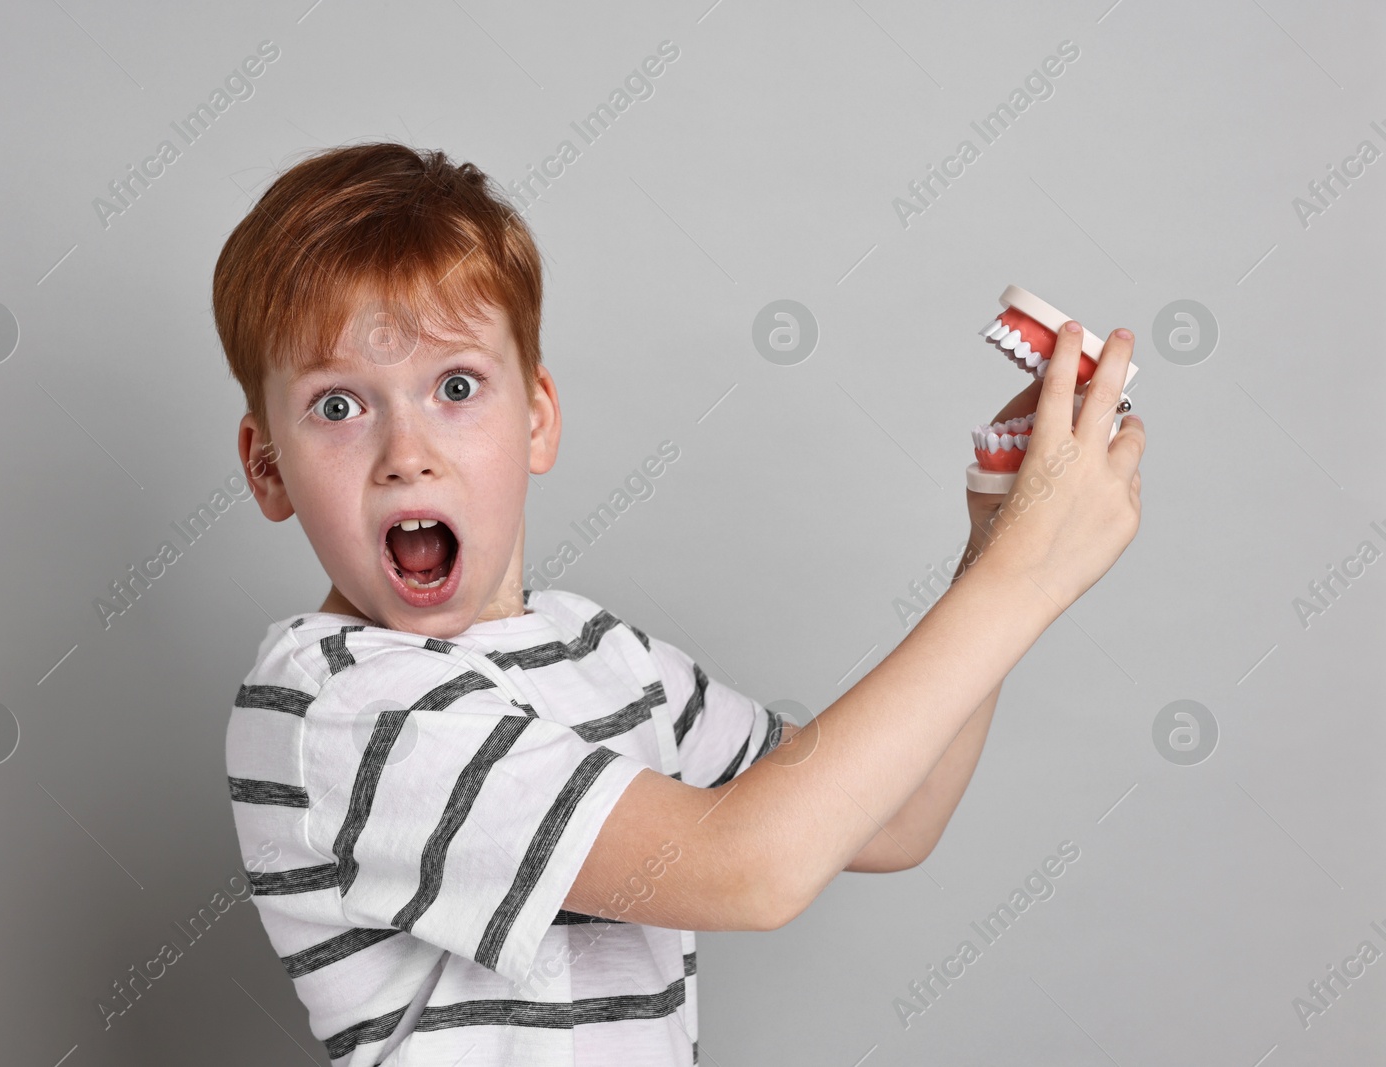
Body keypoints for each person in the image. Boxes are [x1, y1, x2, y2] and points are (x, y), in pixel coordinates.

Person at [215, 141, 1145, 1066]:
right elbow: (751, 866)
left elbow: (891, 816)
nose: (405, 451)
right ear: (267, 465)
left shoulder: (602, 653)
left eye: (456, 387)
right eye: (339, 406)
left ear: (535, 418)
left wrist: (990, 541)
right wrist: (1023, 575)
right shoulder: (335, 708)